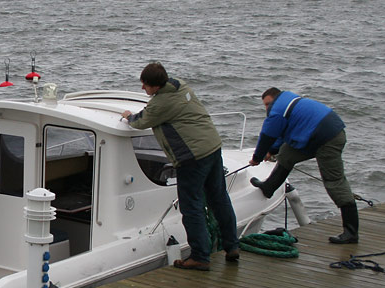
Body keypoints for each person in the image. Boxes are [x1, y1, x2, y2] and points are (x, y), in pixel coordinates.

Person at [122, 62, 239, 271]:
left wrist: (127, 116)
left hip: (192, 158)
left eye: (145, 85)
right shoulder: (180, 86)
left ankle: (200, 257)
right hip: (212, 147)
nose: (143, 89)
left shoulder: (161, 104)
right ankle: (232, 246)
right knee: (219, 198)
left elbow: (141, 121)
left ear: (154, 86)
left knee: (191, 206)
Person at [249, 87, 358, 244]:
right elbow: (281, 134)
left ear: (275, 98)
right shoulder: (287, 102)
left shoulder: (278, 110)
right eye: (264, 105)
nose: (267, 108)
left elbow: (267, 135)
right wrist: (272, 151)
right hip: (316, 134)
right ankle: (269, 187)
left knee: (334, 182)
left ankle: (351, 232)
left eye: (268, 104)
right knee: (286, 153)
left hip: (329, 138)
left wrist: (257, 158)